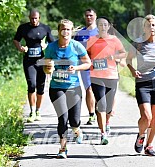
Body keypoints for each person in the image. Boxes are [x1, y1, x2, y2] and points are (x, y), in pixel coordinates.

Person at [44, 19, 91, 159]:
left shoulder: (76, 46)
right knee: (62, 118)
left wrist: (76, 67)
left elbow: (88, 63)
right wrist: (48, 68)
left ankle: (77, 130)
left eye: (68, 30)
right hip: (56, 87)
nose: (65, 32)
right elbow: (46, 69)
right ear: (58, 31)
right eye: (63, 29)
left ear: (71, 32)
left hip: (73, 87)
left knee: (74, 120)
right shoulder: (51, 47)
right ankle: (62, 149)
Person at [126, 14, 155, 156]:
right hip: (142, 84)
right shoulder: (138, 43)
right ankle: (141, 135)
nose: (151, 27)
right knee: (147, 116)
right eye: (148, 25)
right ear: (144, 28)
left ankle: (149, 146)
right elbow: (128, 60)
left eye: (153, 25)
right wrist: (133, 71)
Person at [87, 16, 126, 145]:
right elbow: (85, 55)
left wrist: (114, 56)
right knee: (101, 104)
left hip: (111, 76)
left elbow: (123, 53)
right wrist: (89, 62)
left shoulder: (114, 40)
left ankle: (107, 122)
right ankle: (103, 133)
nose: (103, 27)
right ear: (97, 27)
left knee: (108, 107)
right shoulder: (91, 40)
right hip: (96, 76)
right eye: (100, 25)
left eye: (105, 25)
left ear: (109, 26)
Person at [13, 9, 55, 123]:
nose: (34, 20)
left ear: (39, 18)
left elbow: (52, 43)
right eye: (32, 18)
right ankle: (31, 111)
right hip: (29, 61)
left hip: (41, 61)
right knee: (31, 84)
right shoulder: (23, 28)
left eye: (36, 18)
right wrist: (20, 47)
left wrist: (45, 46)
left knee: (40, 88)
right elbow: (16, 40)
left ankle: (38, 111)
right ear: (29, 18)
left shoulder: (45, 28)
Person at [74, 8, 98, 125]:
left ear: (95, 17)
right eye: (87, 15)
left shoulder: (101, 32)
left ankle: (101, 111)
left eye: (91, 15)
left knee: (100, 90)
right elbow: (73, 49)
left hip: (100, 66)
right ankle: (92, 114)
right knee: (89, 89)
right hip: (86, 66)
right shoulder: (79, 34)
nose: (89, 17)